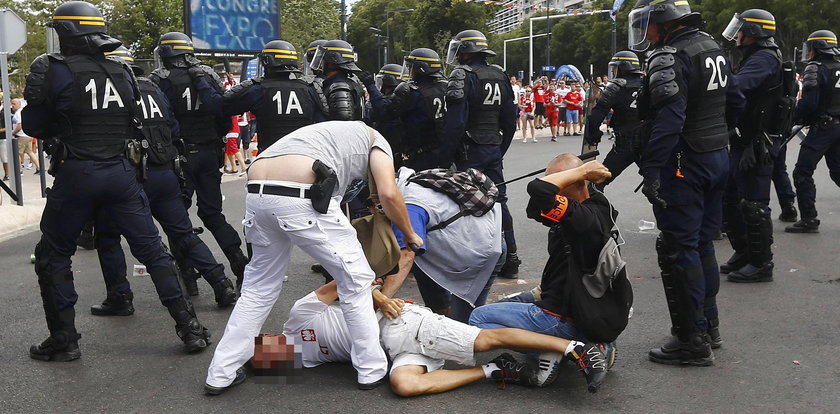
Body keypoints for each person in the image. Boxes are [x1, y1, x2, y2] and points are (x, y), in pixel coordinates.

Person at [23, 1, 211, 361]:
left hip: (77, 171)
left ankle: (64, 340)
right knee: (153, 251)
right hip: (122, 172)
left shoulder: (53, 68)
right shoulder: (123, 71)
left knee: (53, 255)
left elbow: (33, 125)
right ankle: (190, 328)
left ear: (66, 33)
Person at [204, 121, 423, 394]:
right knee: (356, 282)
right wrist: (410, 234)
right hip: (300, 194)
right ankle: (371, 369)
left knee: (257, 289)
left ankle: (220, 373)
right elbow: (389, 194)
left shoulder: (334, 134)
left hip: (257, 191)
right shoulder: (378, 142)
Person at [89, 46, 238, 313]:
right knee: (184, 230)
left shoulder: (111, 89)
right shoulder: (153, 87)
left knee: (110, 235)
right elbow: (176, 126)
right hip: (168, 169)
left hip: (130, 176)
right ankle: (221, 281)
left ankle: (122, 297)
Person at [276, 279, 612, 396]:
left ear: (263, 339)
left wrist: (379, 297)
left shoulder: (299, 315)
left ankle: (575, 348)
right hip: (397, 354)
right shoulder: (302, 360)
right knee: (405, 386)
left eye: (257, 351)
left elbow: (346, 279)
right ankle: (494, 371)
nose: (269, 359)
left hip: (402, 324)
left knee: (483, 339)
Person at [628, 0, 729, 366]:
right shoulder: (710, 45)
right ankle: (709, 327)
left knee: (678, 248)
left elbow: (670, 120)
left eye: (647, 23)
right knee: (702, 245)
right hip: (717, 154)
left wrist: (652, 169)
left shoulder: (668, 55)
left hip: (685, 162)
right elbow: (733, 101)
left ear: (662, 21)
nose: (645, 31)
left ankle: (690, 340)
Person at [468, 154, 617, 389]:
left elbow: (538, 189)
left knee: (478, 318)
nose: (555, 187)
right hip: (584, 305)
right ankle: (595, 344)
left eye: (561, 181)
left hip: (561, 313)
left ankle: (554, 350)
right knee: (518, 299)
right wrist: (567, 176)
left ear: (579, 182)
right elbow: (534, 206)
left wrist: (581, 171)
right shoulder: (595, 205)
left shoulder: (583, 219)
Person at [150, 32, 251, 288]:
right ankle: (238, 263)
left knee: (177, 218)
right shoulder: (207, 75)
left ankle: (189, 275)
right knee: (212, 213)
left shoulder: (160, 79)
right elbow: (222, 111)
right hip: (209, 152)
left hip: (179, 156)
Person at [439, 29, 521, 279]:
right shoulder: (500, 74)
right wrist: (499, 148)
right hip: (493, 146)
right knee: (500, 200)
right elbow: (510, 120)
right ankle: (512, 258)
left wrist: (445, 157)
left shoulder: (462, 75)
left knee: (465, 202)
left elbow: (455, 123)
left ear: (464, 52)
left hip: (468, 150)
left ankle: (471, 260)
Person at [720, 9, 786, 283]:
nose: (736, 34)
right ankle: (745, 251)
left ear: (753, 32)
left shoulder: (764, 58)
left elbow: (740, 86)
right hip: (744, 138)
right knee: (730, 197)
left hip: (758, 142)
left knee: (754, 203)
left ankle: (761, 263)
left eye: (741, 29)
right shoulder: (754, 56)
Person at [197, 40, 322, 154]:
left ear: (266, 62)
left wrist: (200, 80)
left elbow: (220, 106)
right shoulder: (309, 88)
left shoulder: (257, 89)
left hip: (270, 157)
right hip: (304, 157)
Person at [785, 30, 840, 234]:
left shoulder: (815, 68)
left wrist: (794, 119)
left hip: (823, 128)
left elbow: (809, 104)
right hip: (837, 127)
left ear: (816, 48)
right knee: (838, 172)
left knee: (802, 172)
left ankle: (809, 219)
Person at [584, 51, 645, 188]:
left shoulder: (617, 85)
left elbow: (597, 114)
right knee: (659, 185)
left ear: (622, 67)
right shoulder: (648, 83)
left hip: (625, 144)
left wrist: (593, 134)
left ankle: (599, 208)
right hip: (648, 143)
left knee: (598, 183)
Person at [386, 48, 449, 171]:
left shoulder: (411, 91)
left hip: (419, 154)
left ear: (421, 68)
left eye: (412, 67)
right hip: (445, 150)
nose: (410, 70)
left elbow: (389, 114)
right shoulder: (446, 87)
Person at [358, 63, 405, 166]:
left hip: (392, 150)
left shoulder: (396, 101)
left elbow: (383, 111)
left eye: (381, 82)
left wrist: (371, 86)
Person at [309, 39, 366, 121]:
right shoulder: (347, 83)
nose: (321, 63)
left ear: (331, 61)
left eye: (323, 59)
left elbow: (343, 122)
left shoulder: (340, 87)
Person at [11, 98, 41, 174]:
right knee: (30, 152)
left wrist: (13, 132)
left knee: (17, 153)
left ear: (18, 104)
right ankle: (39, 168)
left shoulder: (18, 113)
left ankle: (19, 170)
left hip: (21, 135)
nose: (12, 106)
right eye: (12, 104)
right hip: (27, 135)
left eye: (13, 104)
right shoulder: (22, 111)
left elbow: (20, 125)